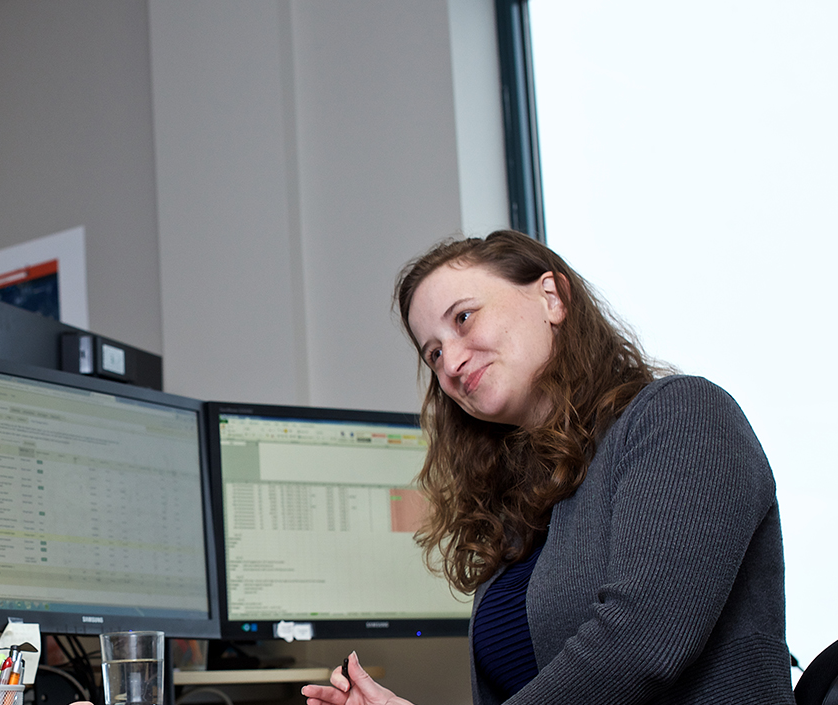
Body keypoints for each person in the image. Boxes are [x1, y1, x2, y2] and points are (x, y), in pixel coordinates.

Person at [304, 231, 791, 705]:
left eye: (465, 318)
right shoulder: (526, 505)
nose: (450, 361)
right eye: (432, 353)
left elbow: (642, 645)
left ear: (552, 297)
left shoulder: (684, 416)